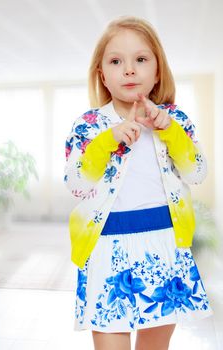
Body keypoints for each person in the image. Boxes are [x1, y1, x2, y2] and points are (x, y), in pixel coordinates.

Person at [64, 16, 213, 350]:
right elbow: (75, 183)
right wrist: (106, 141)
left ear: (157, 69)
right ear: (102, 73)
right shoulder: (88, 125)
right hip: (107, 247)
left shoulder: (175, 120)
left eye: (141, 59)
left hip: (164, 244)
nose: (129, 70)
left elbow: (197, 173)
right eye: (116, 61)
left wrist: (171, 132)